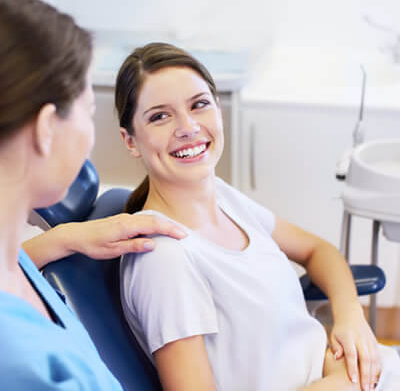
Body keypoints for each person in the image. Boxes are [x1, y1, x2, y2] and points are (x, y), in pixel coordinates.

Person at [116, 42, 400, 391]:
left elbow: (317, 250)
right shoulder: (165, 259)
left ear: (218, 110)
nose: (187, 126)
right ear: (130, 141)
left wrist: (350, 317)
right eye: (160, 116)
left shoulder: (225, 198)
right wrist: (342, 384)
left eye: (199, 105)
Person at [0, 0, 186, 389]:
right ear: (46, 128)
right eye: (88, 112)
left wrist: (66, 237)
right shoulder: (21, 362)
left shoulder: (13, 262)